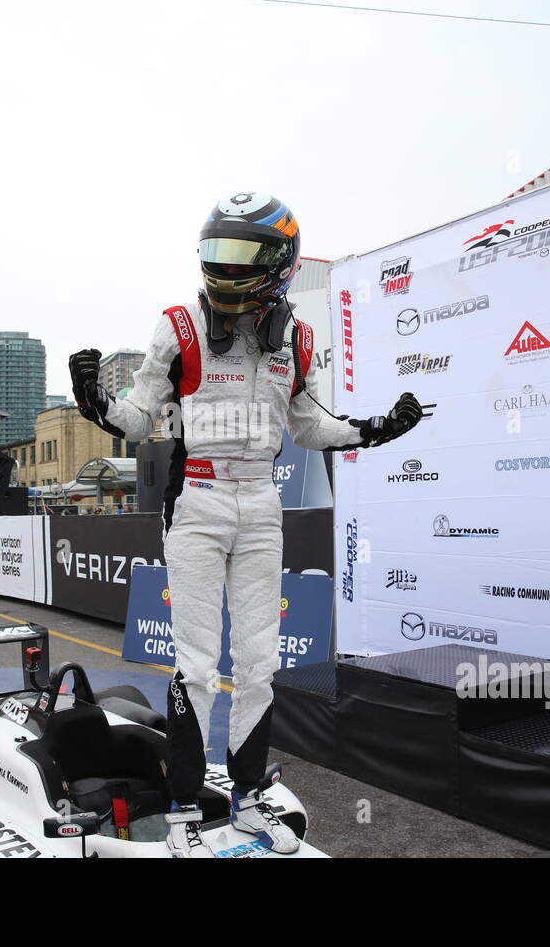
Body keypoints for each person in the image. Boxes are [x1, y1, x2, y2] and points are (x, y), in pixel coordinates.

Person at [69, 192, 424, 857]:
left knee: (259, 664)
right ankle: (182, 811)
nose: (224, 268)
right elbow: (141, 419)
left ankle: (250, 795)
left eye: (240, 254)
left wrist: (378, 428)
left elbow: (310, 425)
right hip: (197, 505)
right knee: (197, 665)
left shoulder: (300, 337)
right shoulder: (177, 325)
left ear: (279, 261)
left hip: (262, 505)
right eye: (216, 253)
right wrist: (96, 403)